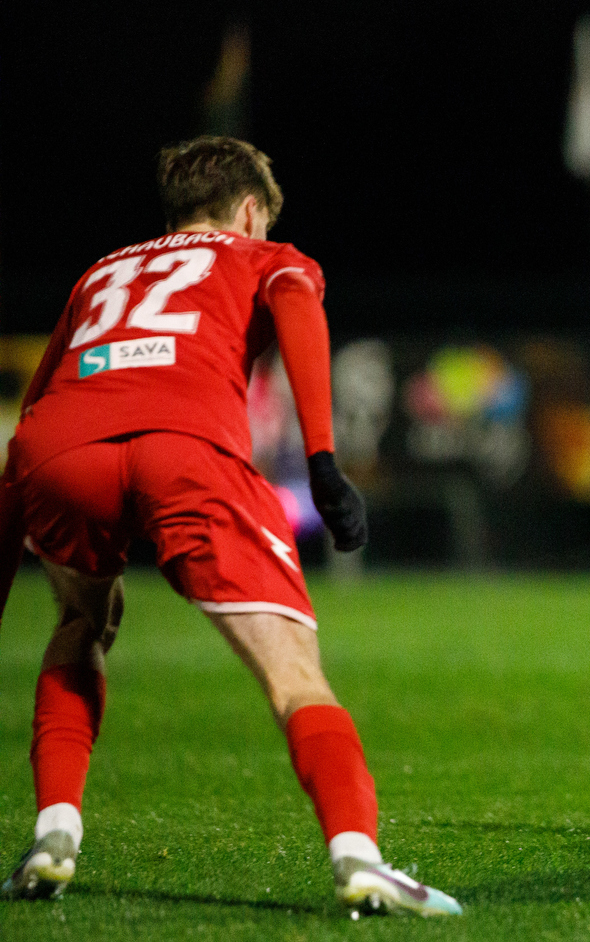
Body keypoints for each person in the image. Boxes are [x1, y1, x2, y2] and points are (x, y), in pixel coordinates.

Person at [0, 137, 460, 915]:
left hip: (61, 454)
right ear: (251, 209)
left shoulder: (101, 271)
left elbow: (29, 427)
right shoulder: (261, 255)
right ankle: (359, 858)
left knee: (81, 621)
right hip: (185, 450)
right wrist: (322, 460)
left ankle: (53, 832)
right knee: (294, 674)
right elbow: (297, 305)